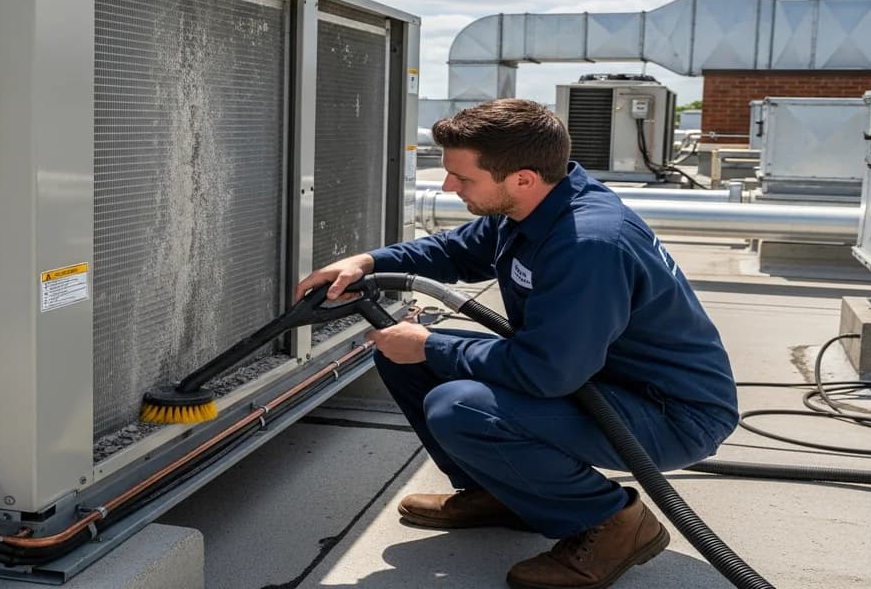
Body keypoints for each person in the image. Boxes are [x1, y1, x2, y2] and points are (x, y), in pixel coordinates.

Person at [295, 98, 738, 589]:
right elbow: (456, 250)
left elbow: (548, 373)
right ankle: (503, 493)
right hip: (597, 378)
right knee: (406, 360)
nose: (448, 186)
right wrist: (369, 262)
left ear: (522, 177)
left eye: (463, 179)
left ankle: (613, 523)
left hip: (668, 414)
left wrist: (430, 347)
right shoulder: (540, 202)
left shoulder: (588, 243)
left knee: (458, 405)